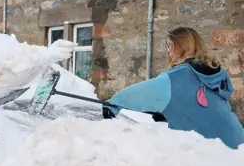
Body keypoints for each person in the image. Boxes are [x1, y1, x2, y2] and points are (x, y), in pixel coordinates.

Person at [102, 26, 244, 149]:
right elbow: (204, 109)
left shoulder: (176, 77)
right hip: (237, 142)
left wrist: (114, 104)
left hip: (215, 154)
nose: (168, 51)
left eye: (170, 46)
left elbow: (142, 93)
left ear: (181, 47)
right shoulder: (212, 73)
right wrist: (170, 112)